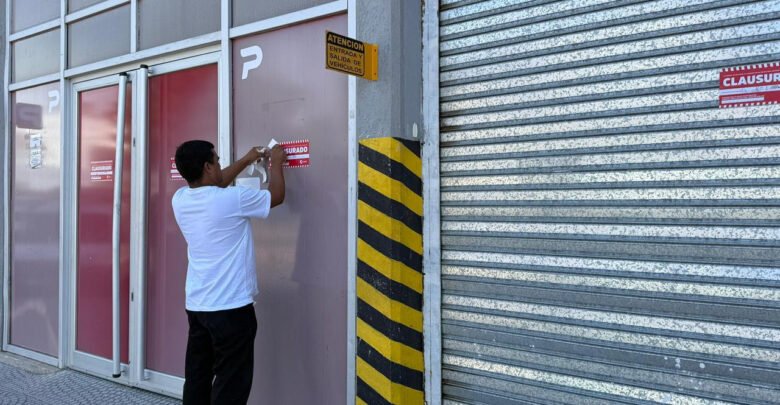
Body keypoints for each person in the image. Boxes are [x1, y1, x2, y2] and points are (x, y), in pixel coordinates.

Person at [171, 140, 287, 405]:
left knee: (198, 377)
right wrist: (277, 163)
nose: (220, 165)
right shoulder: (232, 199)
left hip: (198, 306)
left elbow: (217, 183)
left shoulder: (180, 199)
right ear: (207, 166)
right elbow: (277, 196)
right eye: (218, 161)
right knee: (231, 383)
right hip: (231, 309)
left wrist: (247, 159)